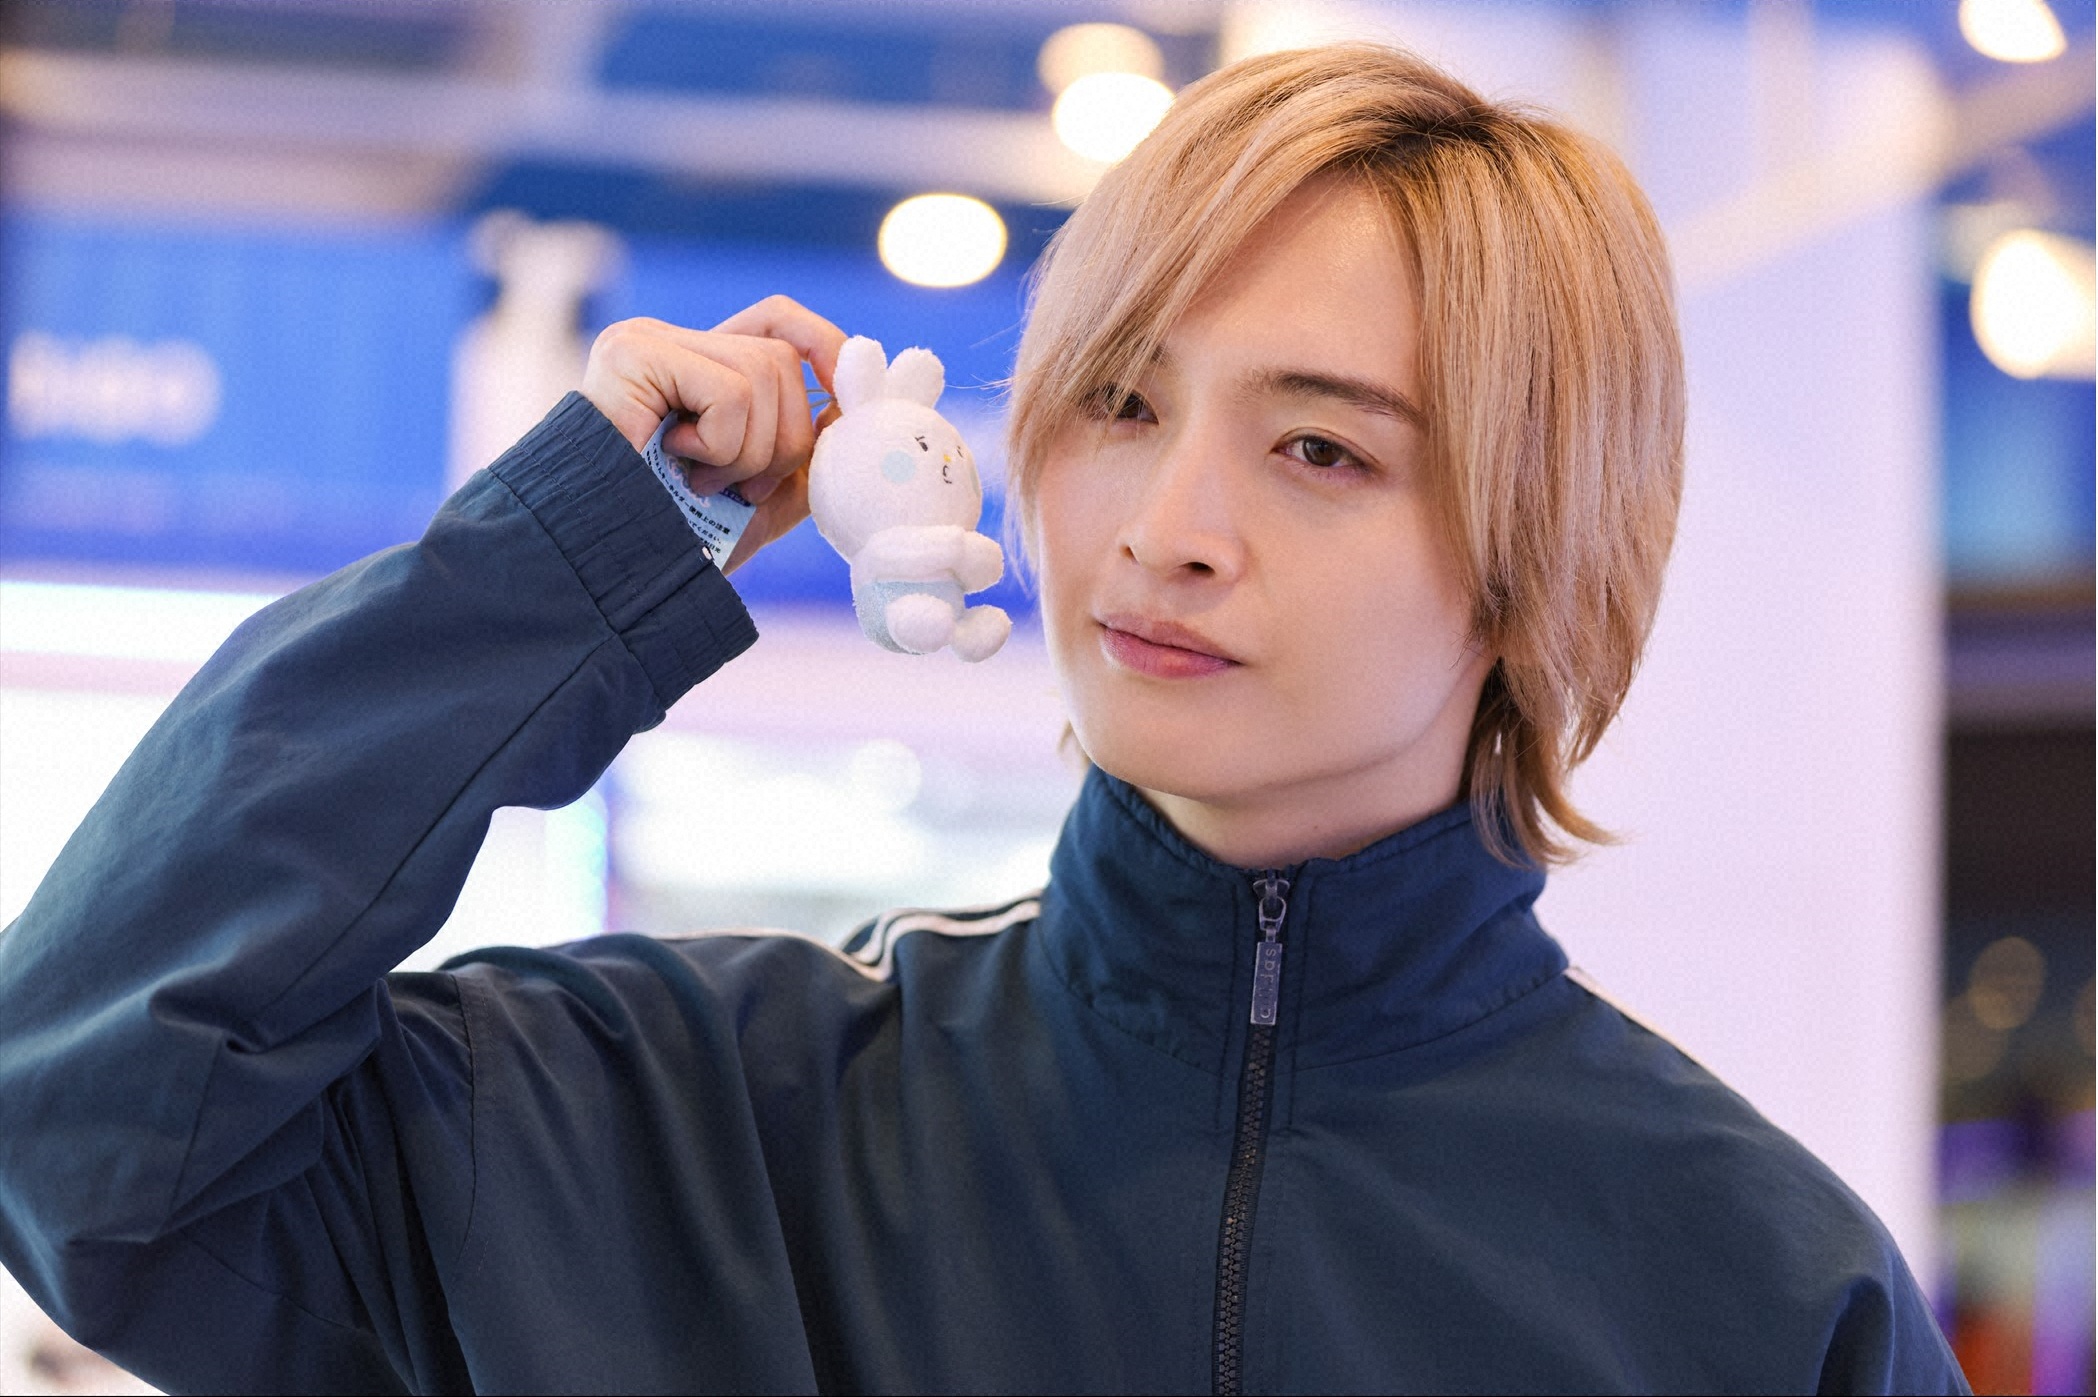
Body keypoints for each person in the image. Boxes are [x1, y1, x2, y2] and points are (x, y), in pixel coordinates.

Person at [0, 42, 1965, 1395]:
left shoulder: (1756, 1293)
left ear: (1534, 551)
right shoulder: (672, 1124)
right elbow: (86, 1114)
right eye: (1119, 401)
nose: (1166, 527)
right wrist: (586, 549)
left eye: (1317, 448)